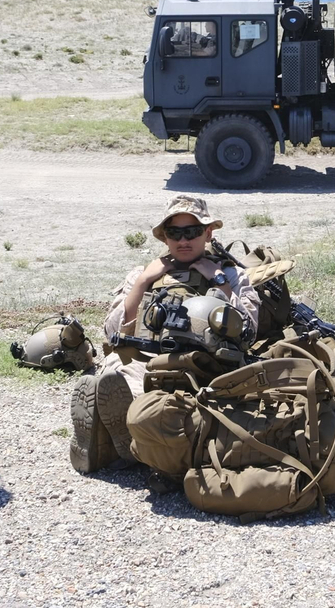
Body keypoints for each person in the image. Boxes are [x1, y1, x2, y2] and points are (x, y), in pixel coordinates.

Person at [70, 195, 260, 472]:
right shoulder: (144, 274)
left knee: (184, 406)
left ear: (208, 233)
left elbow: (248, 331)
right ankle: (128, 429)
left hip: (207, 365)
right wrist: (144, 282)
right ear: (165, 238)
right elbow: (113, 331)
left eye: (192, 232)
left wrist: (218, 281)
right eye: (174, 233)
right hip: (150, 360)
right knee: (116, 368)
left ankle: (127, 435)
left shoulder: (230, 274)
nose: (183, 241)